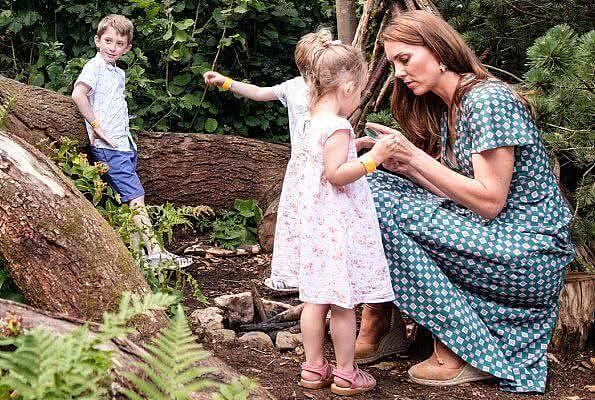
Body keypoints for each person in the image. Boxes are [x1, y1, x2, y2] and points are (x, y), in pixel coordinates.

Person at [354, 10, 575, 393]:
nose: (399, 73)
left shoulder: (488, 101)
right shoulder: (452, 106)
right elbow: (456, 193)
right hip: (493, 235)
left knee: (375, 198)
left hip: (526, 250)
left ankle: (462, 347)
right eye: (392, 64)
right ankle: (382, 313)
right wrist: (403, 167)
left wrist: (414, 156)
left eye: (405, 59)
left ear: (439, 49)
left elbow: (489, 201)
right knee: (368, 186)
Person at [283, 40, 400, 396]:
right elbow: (336, 174)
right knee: (343, 303)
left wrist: (357, 147)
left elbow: (320, 163)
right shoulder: (337, 126)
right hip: (335, 228)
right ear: (347, 87)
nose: (359, 99)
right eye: (360, 92)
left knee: (314, 301)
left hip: (312, 227)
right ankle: (347, 372)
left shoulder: (308, 122)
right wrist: (374, 157)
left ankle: (313, 368)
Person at [203, 28, 334, 293]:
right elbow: (259, 93)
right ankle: (293, 275)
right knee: (294, 217)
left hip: (328, 161)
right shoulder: (294, 87)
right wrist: (226, 82)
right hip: (300, 164)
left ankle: (324, 272)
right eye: (307, 69)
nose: (311, 75)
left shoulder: (334, 90)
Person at [71, 14, 192, 268]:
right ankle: (156, 251)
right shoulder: (94, 67)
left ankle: (139, 256)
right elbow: (78, 94)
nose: (112, 47)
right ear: (97, 40)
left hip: (124, 145)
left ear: (127, 48)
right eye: (108, 40)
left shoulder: (117, 73)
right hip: (108, 147)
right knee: (136, 197)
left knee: (130, 201)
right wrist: (95, 126)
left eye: (119, 43)